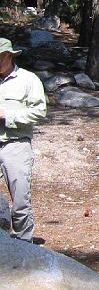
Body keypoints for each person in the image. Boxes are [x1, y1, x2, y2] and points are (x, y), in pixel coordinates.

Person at [0, 38, 47, 242]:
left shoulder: (28, 80)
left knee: (20, 200)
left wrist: (7, 116)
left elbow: (40, 112)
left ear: (9, 55)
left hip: (16, 145)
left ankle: (24, 247)